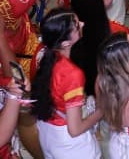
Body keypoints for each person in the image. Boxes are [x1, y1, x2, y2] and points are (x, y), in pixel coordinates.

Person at [29, 11, 105, 159]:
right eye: (76, 26)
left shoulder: (44, 54)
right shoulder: (72, 74)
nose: (82, 24)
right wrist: (102, 110)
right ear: (65, 43)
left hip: (48, 132)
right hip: (71, 146)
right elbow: (75, 129)